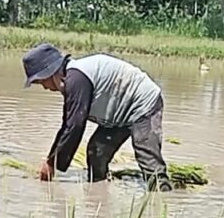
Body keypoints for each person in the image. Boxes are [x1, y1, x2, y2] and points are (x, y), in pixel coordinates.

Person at [21, 43, 173, 191]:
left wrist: (52, 164)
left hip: (143, 104)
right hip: (119, 112)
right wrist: (51, 159)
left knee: (147, 158)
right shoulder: (71, 80)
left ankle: (162, 195)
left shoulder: (76, 79)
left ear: (49, 73)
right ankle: (99, 195)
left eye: (41, 81)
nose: (44, 87)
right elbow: (67, 126)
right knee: (97, 152)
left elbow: (75, 126)